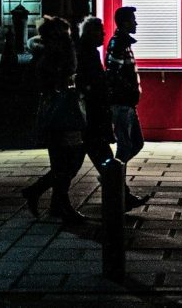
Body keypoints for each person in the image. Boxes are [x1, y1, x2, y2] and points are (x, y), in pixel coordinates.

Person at [75, 16, 150, 212]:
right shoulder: (110, 46)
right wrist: (126, 91)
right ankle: (117, 189)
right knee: (116, 152)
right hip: (105, 109)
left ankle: (115, 183)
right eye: (100, 31)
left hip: (110, 107)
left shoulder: (97, 49)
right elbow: (110, 74)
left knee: (132, 145)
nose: (104, 34)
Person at [21, 16, 89, 223]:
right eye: (66, 35)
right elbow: (58, 81)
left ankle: (51, 201)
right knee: (68, 161)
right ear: (57, 37)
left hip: (61, 114)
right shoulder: (54, 58)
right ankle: (57, 203)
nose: (70, 38)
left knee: (66, 162)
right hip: (61, 116)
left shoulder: (53, 55)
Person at [106, 6, 148, 204]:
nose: (136, 23)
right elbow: (112, 73)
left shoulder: (123, 43)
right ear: (124, 23)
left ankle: (113, 179)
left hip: (127, 103)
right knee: (125, 147)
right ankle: (117, 189)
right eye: (133, 20)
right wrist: (130, 90)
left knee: (136, 143)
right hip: (122, 103)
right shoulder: (118, 43)